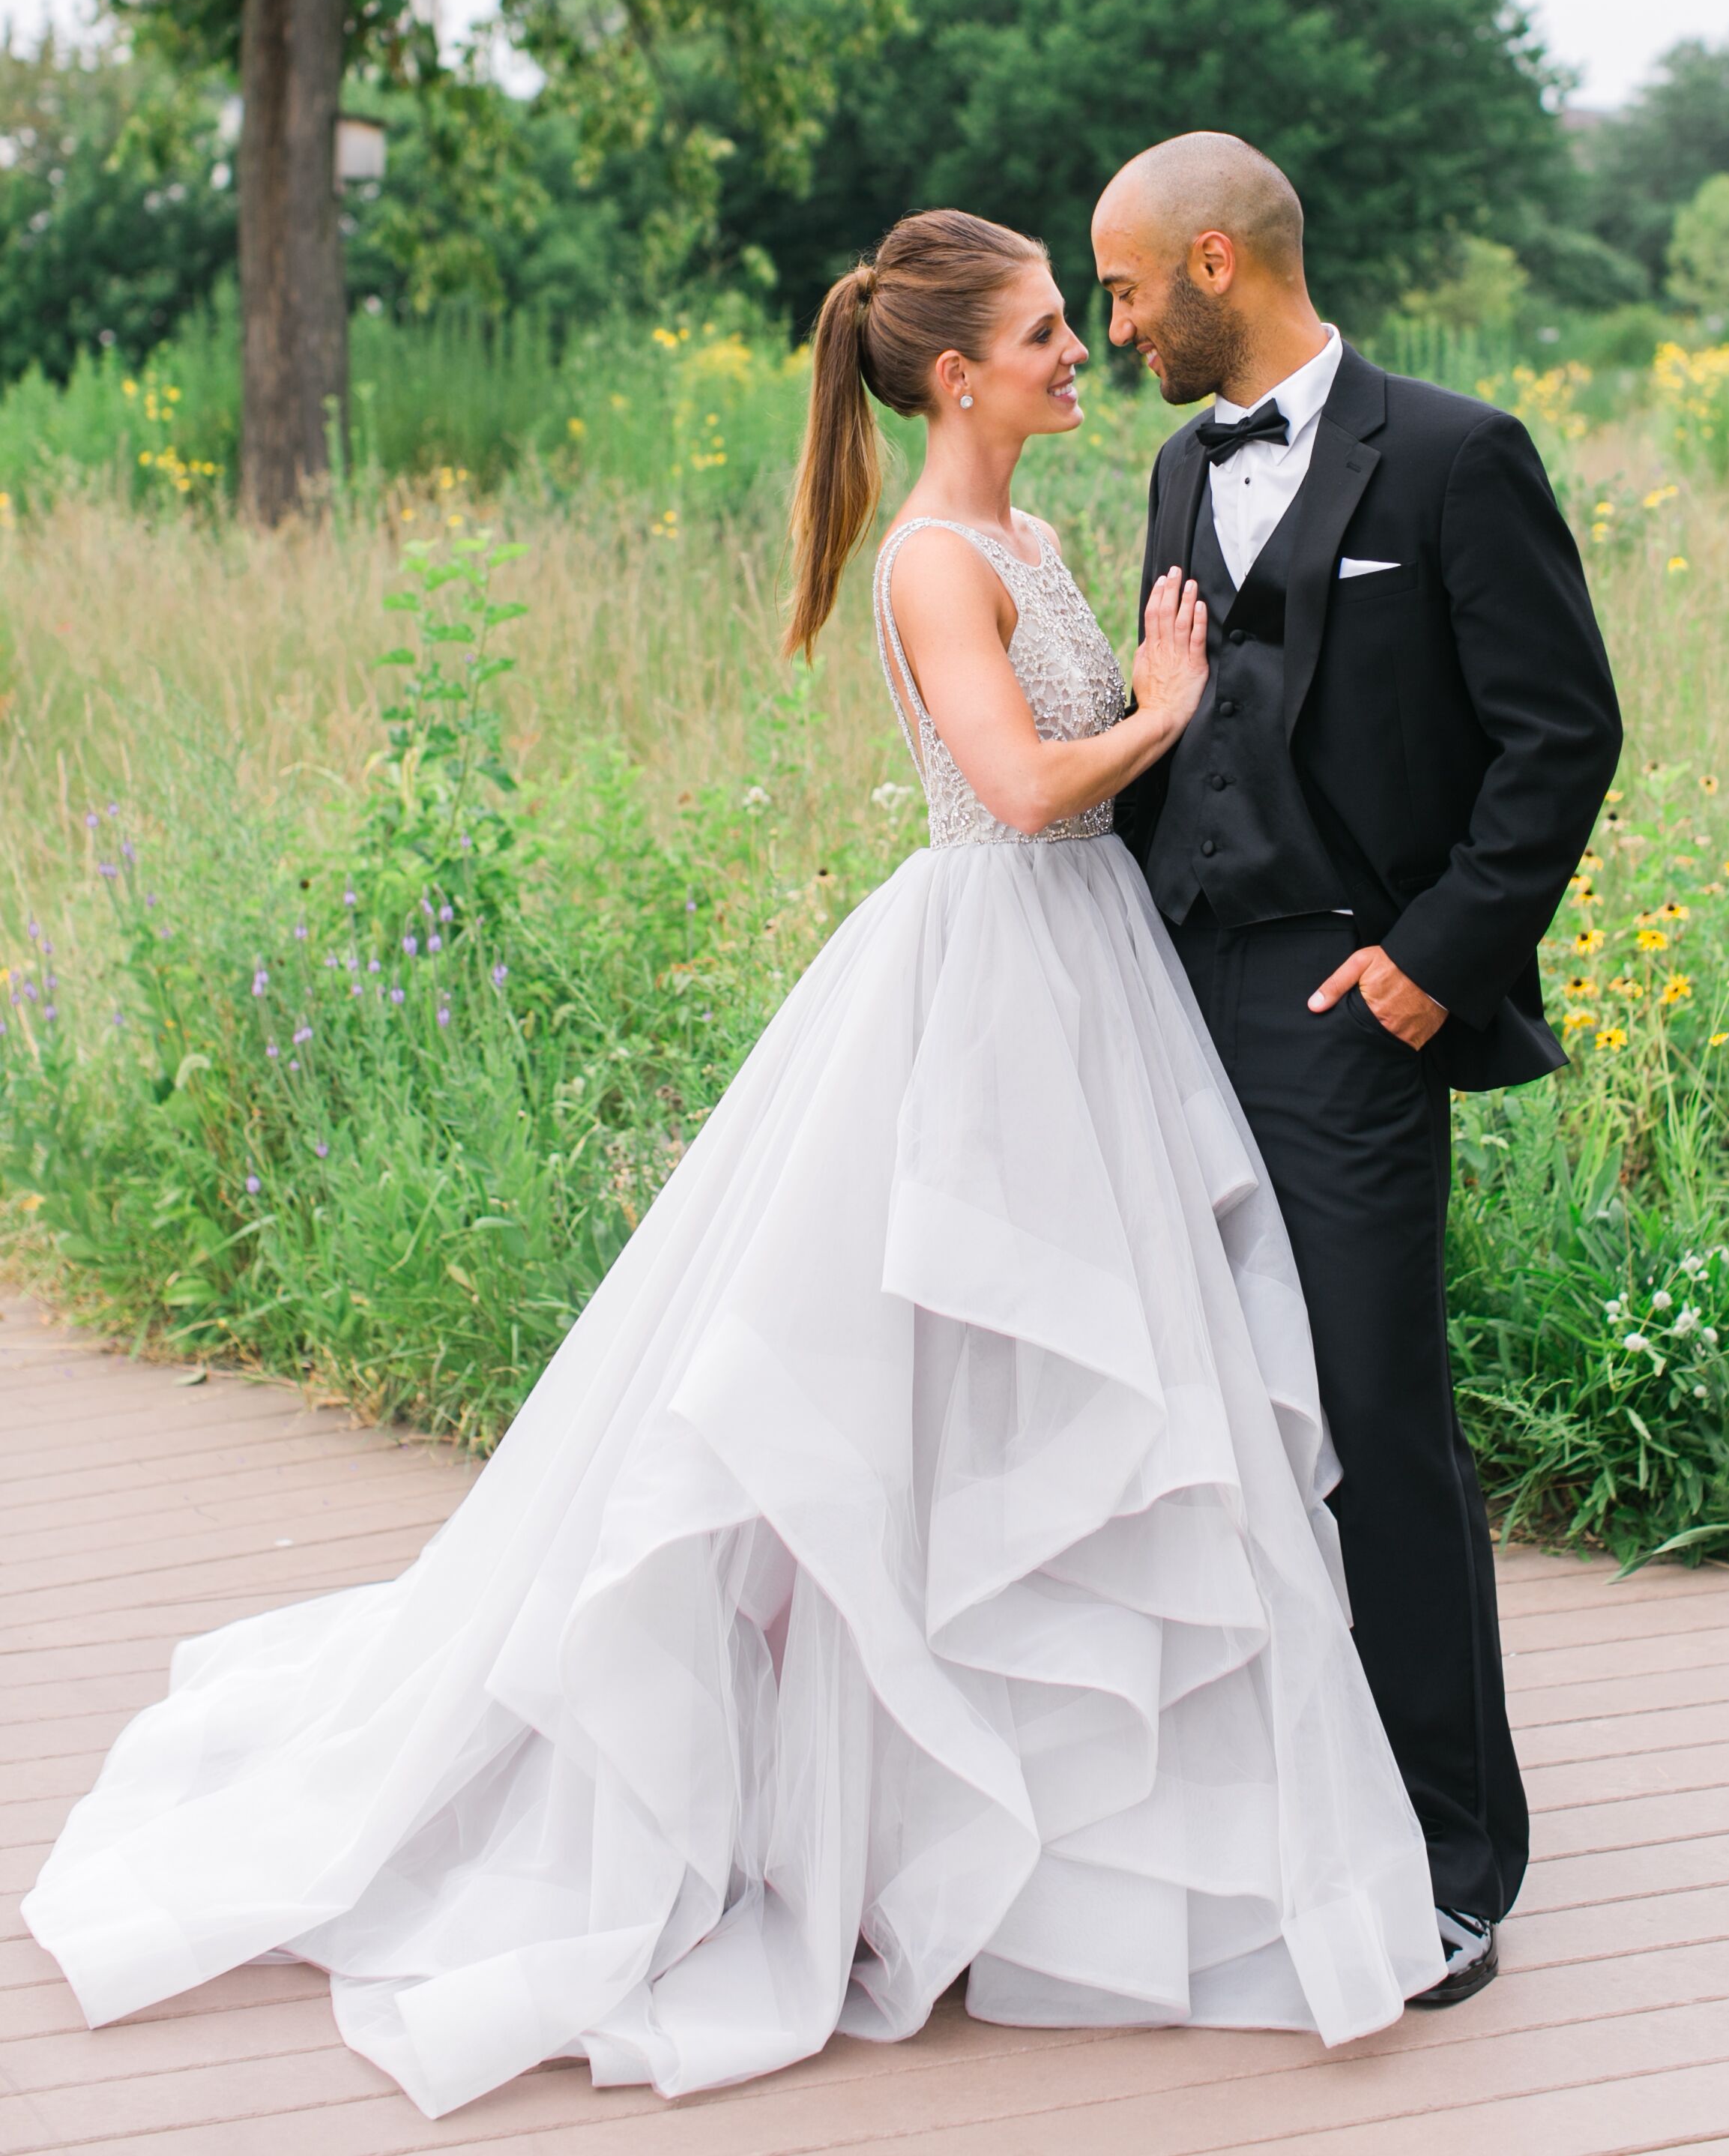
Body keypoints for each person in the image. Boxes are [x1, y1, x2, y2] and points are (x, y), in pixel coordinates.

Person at [25, 208, 1444, 2122]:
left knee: (1067, 1398)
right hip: (986, 984)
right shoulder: (941, 560)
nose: (1075, 351)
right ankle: (885, 1829)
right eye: (1046, 330)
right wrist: (1170, 713)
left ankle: (1056, 1841)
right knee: (924, 1396)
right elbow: (1020, 788)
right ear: (958, 375)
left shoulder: (1040, 534)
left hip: (1100, 988)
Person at [1092, 133, 1625, 2005]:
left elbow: (1562, 738)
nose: (1113, 322)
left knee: (1375, 1411)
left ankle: (1454, 1859)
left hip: (1348, 1005)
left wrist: (1430, 965)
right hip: (1170, 997)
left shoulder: (1461, 458)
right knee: (1210, 1415)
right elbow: (1180, 744)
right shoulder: (1174, 469)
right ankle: (1264, 1812)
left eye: (1129, 286)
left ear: (1217, 263)